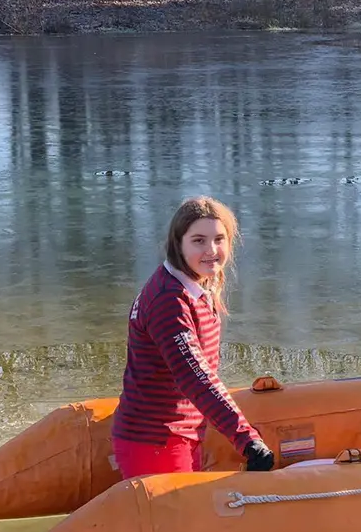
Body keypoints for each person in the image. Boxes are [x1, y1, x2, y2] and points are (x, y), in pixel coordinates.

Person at [110, 196, 276, 480]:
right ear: (179, 243)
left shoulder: (195, 285)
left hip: (182, 434)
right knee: (175, 524)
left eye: (219, 239)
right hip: (157, 441)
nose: (211, 250)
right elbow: (195, 375)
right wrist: (247, 439)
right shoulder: (169, 300)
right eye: (199, 240)